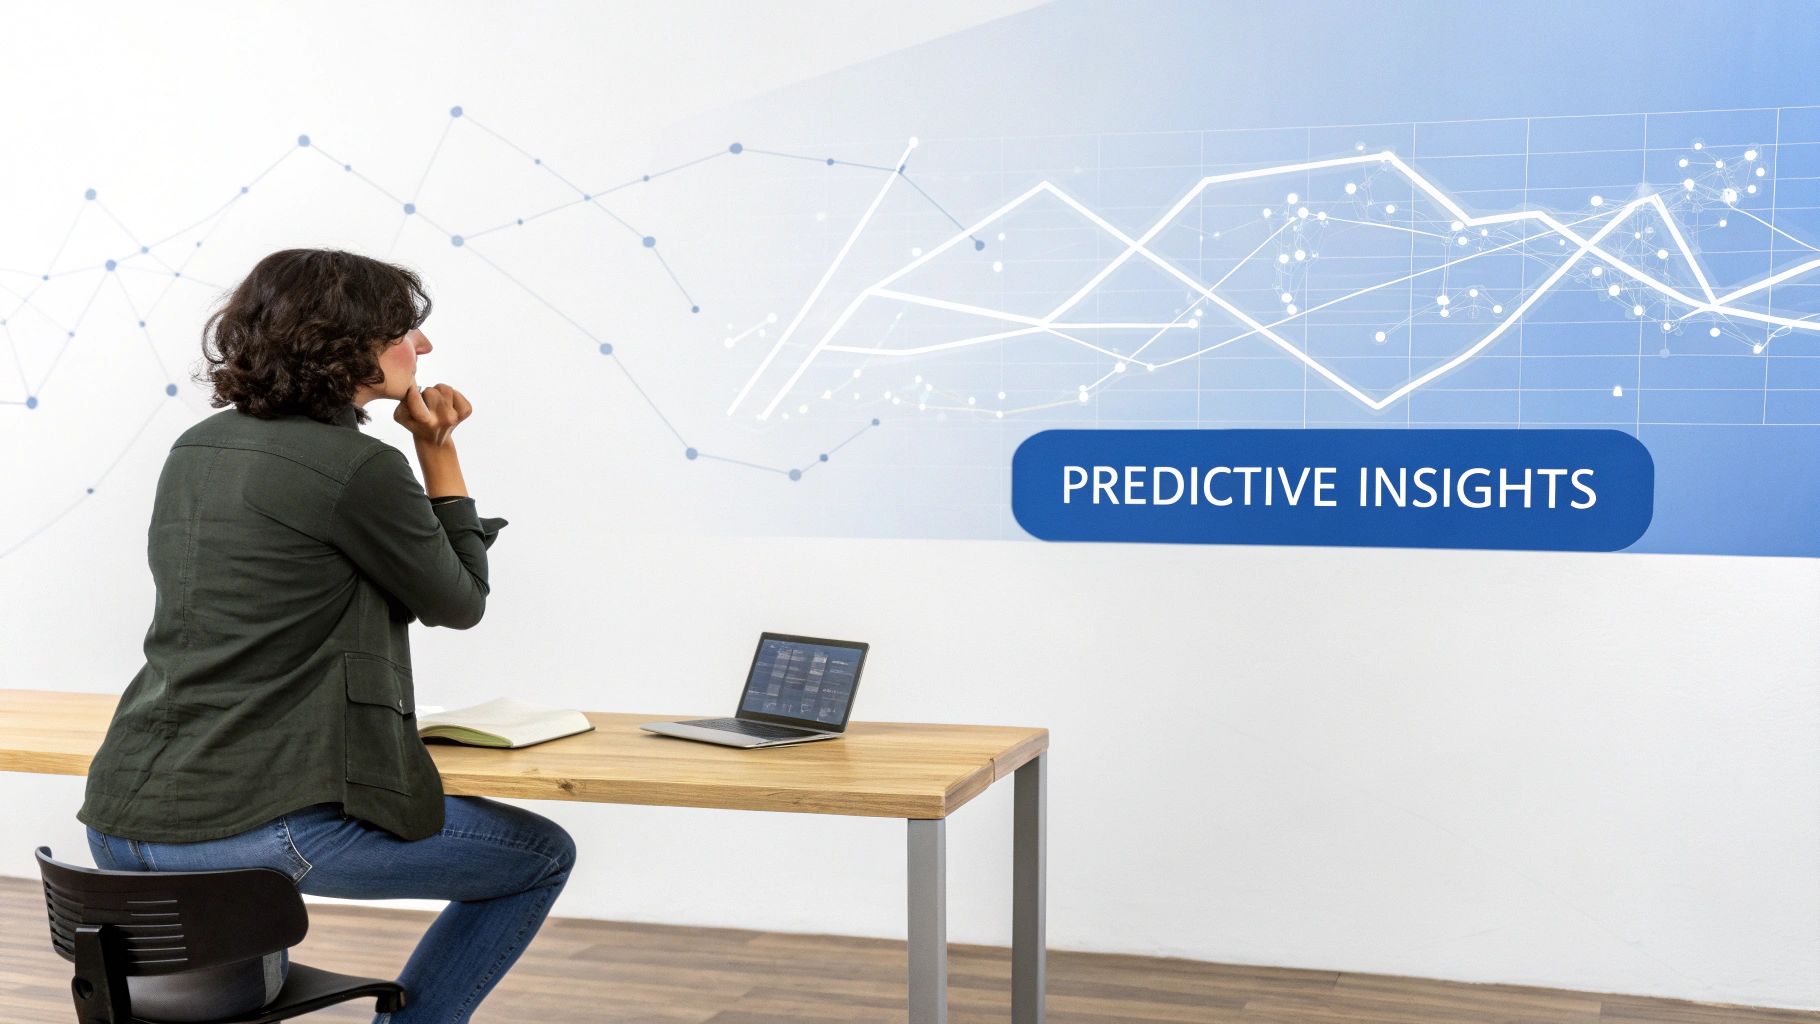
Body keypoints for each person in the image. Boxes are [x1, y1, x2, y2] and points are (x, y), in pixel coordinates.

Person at [76, 248, 574, 1024]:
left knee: (245, 998)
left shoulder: (198, 447)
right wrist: (437, 448)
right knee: (540, 855)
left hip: (119, 824)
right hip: (247, 835)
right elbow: (460, 599)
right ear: (348, 345)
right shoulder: (356, 467)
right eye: (408, 331)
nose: (425, 349)